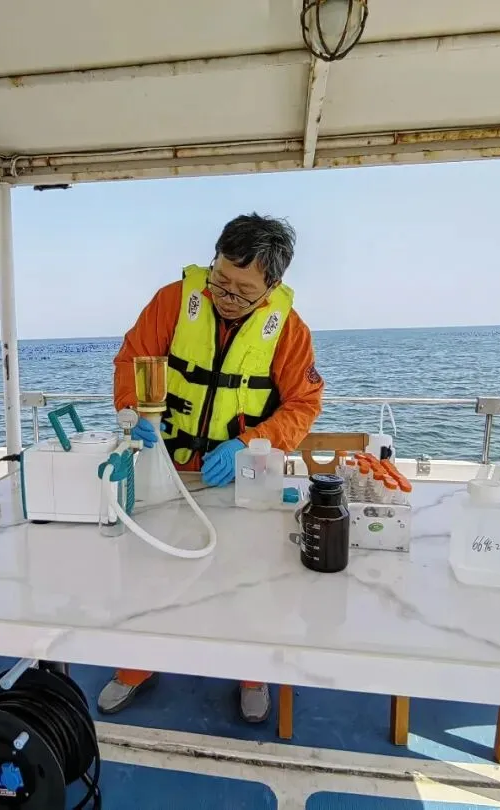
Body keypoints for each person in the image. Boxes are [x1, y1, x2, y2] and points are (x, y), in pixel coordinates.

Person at [101, 213, 325, 723]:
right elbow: (131, 361)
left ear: (272, 287)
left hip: (242, 475)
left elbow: (304, 405)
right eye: (220, 280)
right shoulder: (172, 302)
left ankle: (251, 672)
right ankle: (135, 666)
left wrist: (249, 443)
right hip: (165, 465)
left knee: (250, 576)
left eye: (242, 291)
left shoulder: (289, 331)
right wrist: (135, 414)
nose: (226, 296)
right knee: (149, 567)